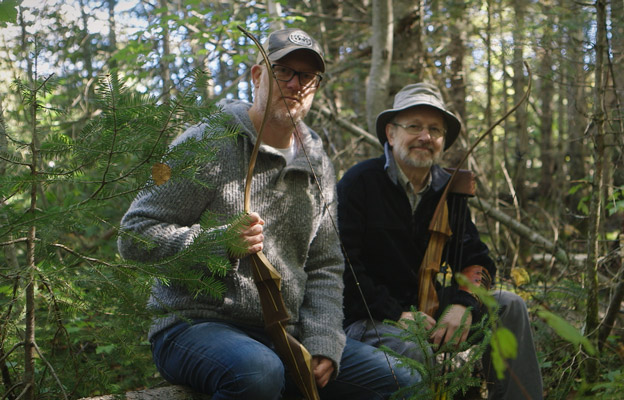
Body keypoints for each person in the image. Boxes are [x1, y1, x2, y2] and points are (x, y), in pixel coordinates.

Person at [118, 28, 418, 400]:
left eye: (307, 76)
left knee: (403, 380)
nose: (295, 84)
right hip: (193, 326)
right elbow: (135, 234)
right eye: (283, 71)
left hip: (283, 334)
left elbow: (325, 265)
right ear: (258, 75)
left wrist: (324, 340)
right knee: (258, 371)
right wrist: (216, 243)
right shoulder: (208, 142)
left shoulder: (317, 163)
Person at [336, 82, 544, 400]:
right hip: (369, 318)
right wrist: (396, 314)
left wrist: (463, 305)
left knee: (509, 307)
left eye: (435, 130)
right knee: (414, 350)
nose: (425, 137)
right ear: (390, 134)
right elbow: (344, 267)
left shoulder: (448, 191)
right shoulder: (359, 183)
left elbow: (477, 258)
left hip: (427, 309)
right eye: (414, 126)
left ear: (443, 141)